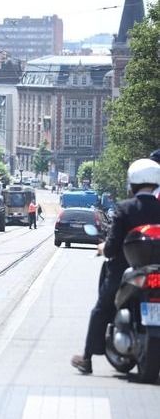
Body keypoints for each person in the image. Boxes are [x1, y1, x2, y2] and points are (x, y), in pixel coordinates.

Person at [71, 158, 160, 374]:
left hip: (124, 271)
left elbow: (111, 248)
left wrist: (103, 248)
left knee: (102, 308)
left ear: (132, 183)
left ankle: (87, 358)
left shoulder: (125, 208)